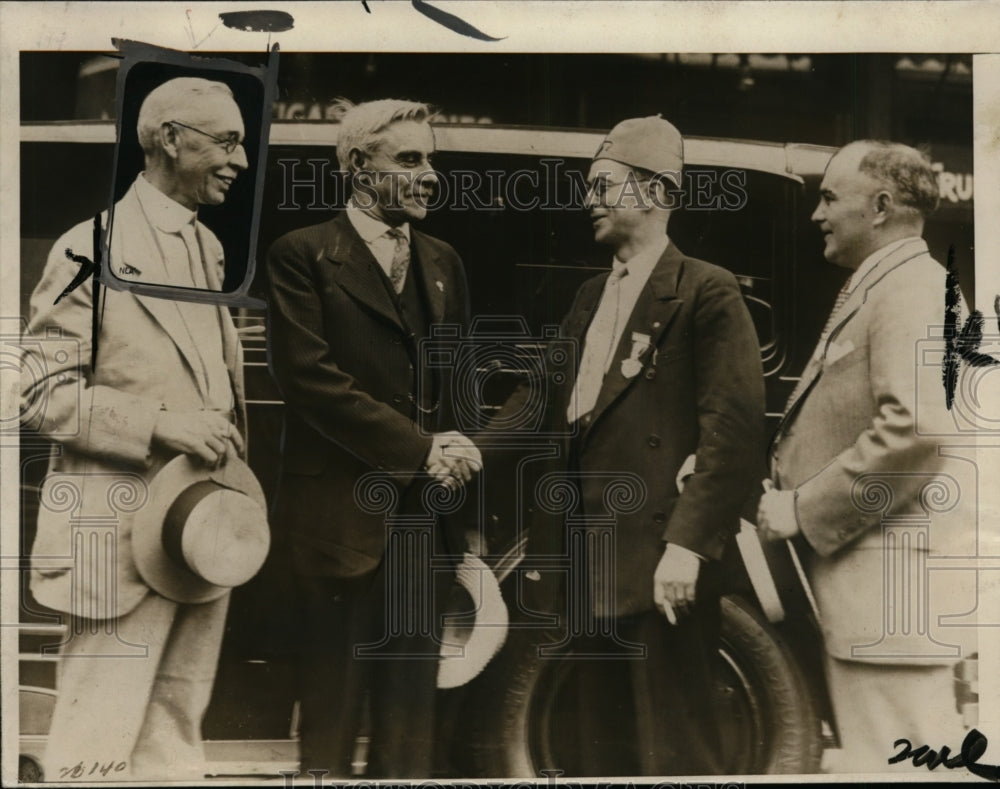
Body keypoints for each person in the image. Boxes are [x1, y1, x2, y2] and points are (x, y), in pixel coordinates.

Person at [492, 116, 765, 775]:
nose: (589, 199)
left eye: (604, 185)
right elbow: (540, 396)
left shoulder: (706, 288)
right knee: (600, 749)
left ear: (655, 192)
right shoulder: (591, 295)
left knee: (678, 751)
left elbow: (732, 430)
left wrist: (687, 546)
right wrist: (465, 450)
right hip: (590, 565)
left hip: (660, 565)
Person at [21, 77, 250, 779]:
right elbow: (39, 394)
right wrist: (161, 425)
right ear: (169, 139)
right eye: (227, 141)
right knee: (94, 742)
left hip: (196, 538)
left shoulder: (208, 248)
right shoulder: (84, 249)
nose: (240, 161)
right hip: (115, 546)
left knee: (174, 738)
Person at [265, 98, 479, 778]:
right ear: (359, 166)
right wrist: (423, 450)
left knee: (410, 740)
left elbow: (458, 383)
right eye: (409, 159)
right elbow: (311, 381)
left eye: (431, 159)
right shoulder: (302, 255)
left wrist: (461, 466)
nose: (430, 175)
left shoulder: (443, 261)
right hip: (338, 530)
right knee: (328, 734)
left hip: (426, 533)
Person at [758, 140, 974, 772]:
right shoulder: (894, 284)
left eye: (829, 197)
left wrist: (802, 508)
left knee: (895, 766)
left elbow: (917, 431)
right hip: (875, 598)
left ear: (880, 206)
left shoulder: (914, 289)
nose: (816, 214)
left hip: (887, 602)